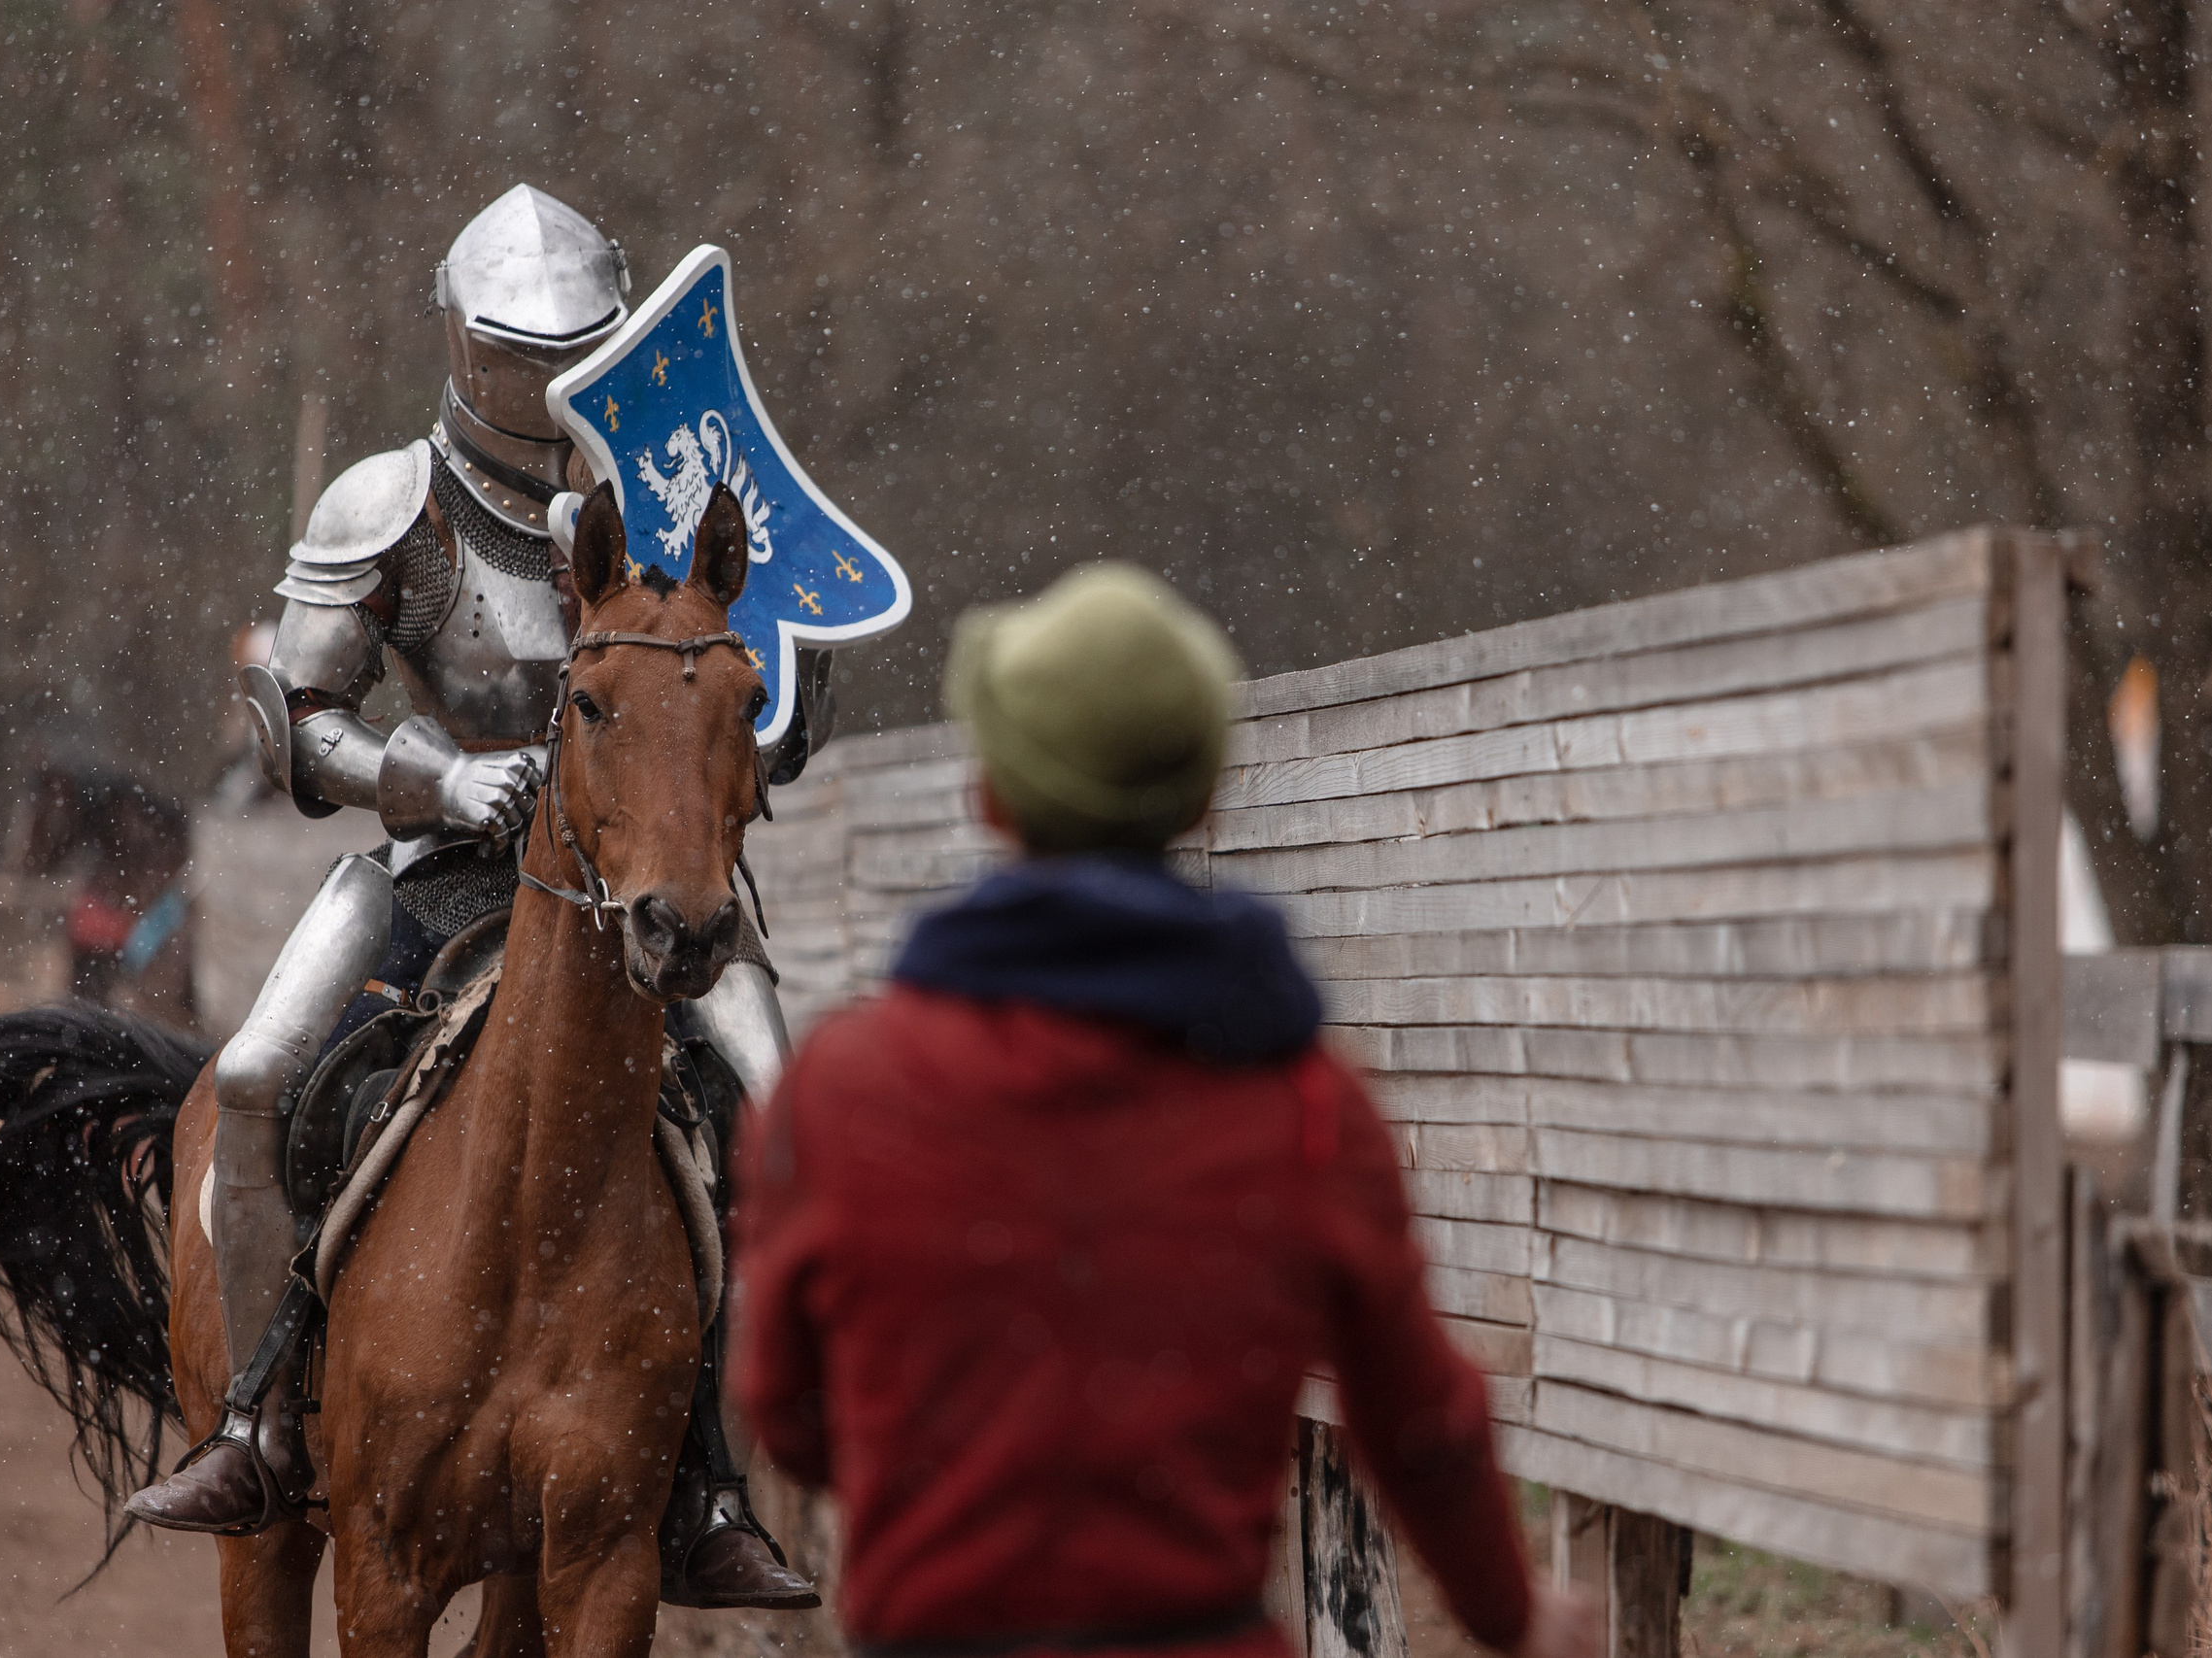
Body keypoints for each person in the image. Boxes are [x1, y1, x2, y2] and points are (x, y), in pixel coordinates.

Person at [125, 184, 824, 1611]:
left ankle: (707, 1478)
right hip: (436, 868)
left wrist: (787, 686)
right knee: (258, 1073)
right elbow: (294, 720)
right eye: (509, 355)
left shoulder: (675, 508)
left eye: (562, 354)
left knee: (776, 1106)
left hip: (635, 872)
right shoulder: (388, 501)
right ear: (459, 339)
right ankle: (260, 1417)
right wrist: (436, 781)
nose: (531, 383)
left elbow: (762, 720)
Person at [736, 565, 1602, 1658]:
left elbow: (790, 1418)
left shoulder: (839, 1091)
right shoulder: (1307, 1107)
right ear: (1202, 801)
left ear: (989, 799)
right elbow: (1420, 1424)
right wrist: (1513, 1614)